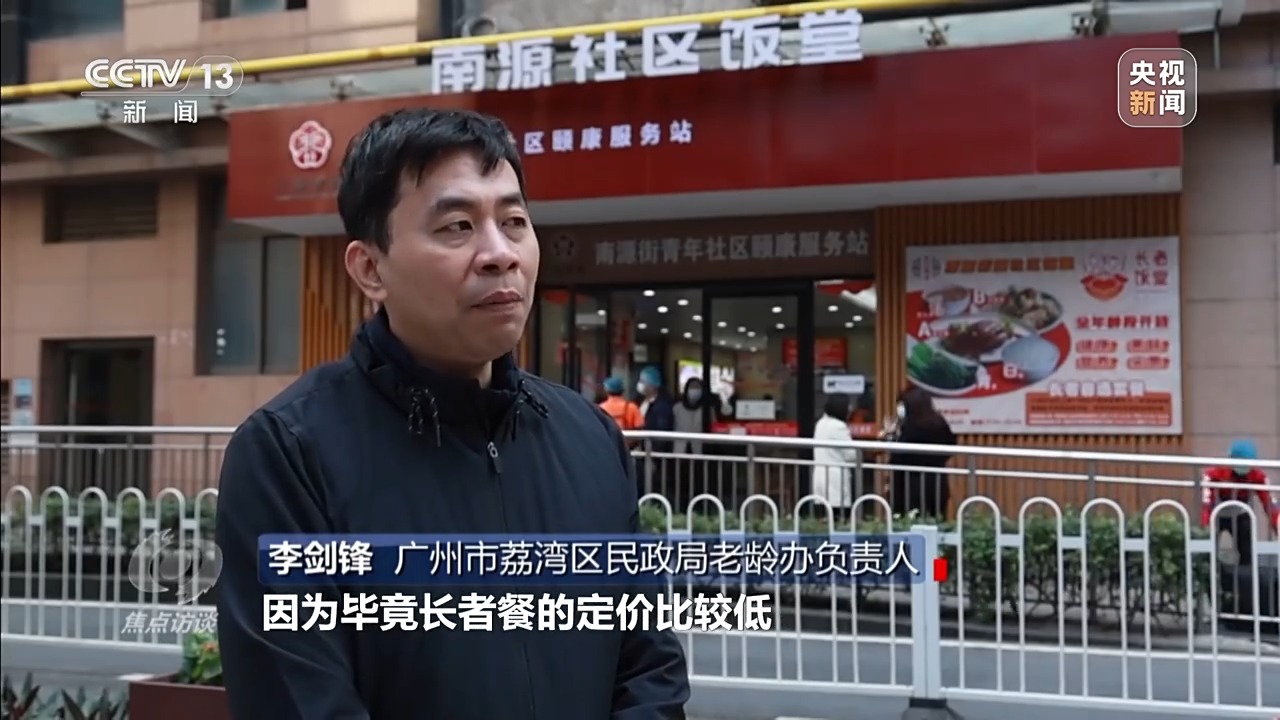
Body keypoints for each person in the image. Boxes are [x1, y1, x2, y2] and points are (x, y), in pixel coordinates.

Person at [214, 109, 689, 720]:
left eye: (514, 222)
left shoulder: (590, 437)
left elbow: (649, 667)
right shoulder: (289, 455)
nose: (500, 254)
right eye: (457, 226)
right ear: (370, 269)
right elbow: (302, 701)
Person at [1201, 438, 1279, 564]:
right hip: (1217, 514)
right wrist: (1205, 524)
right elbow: (1206, 500)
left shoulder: (1257, 475)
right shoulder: (1218, 472)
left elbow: (1270, 504)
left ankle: (1247, 574)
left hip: (1241, 515)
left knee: (1247, 551)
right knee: (1207, 549)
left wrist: (1277, 527)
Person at [885, 387, 956, 519]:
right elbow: (951, 446)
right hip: (937, 482)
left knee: (909, 523)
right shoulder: (939, 423)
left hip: (910, 485)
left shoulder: (910, 427)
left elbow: (899, 456)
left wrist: (891, 438)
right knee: (936, 522)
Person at [812, 394, 859, 523]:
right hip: (835, 478)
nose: (850, 409)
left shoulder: (820, 423)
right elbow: (851, 454)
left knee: (823, 518)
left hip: (821, 475)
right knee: (838, 519)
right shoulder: (838, 426)